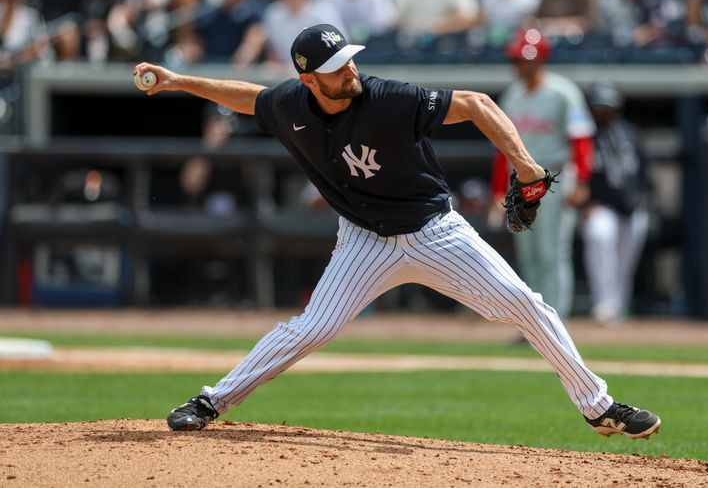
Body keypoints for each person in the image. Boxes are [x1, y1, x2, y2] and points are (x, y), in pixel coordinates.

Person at [133, 23, 660, 439]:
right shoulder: (290, 106)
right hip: (363, 239)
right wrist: (180, 81)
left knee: (526, 303)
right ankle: (211, 401)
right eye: (337, 67)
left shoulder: (387, 98)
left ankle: (599, 407)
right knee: (313, 327)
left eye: (350, 57)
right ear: (310, 81)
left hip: (436, 231)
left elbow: (477, 104)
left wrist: (523, 165)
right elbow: (247, 97)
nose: (351, 69)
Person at [489, 27, 594, 319]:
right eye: (517, 59)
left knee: (552, 252)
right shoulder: (512, 95)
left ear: (540, 59)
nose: (519, 64)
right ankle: (534, 320)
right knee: (529, 256)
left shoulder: (564, 92)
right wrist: (498, 188)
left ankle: (555, 318)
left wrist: (582, 180)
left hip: (555, 177)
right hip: (521, 183)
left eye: (525, 59)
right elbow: (503, 148)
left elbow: (582, 140)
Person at [581, 81, 650, 324]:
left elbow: (643, 171)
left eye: (607, 109)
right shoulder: (584, 134)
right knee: (600, 237)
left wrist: (644, 198)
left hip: (632, 206)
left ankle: (618, 305)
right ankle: (604, 303)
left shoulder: (630, 133)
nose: (602, 114)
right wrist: (585, 203)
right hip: (600, 205)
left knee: (625, 262)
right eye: (598, 109)